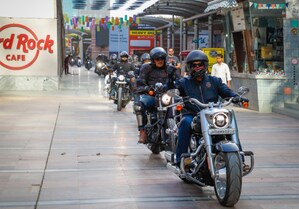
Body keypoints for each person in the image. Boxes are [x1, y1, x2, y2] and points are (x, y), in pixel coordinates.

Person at [175, 50, 248, 167]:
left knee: (229, 123)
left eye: (200, 65)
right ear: (189, 67)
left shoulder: (214, 81)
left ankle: (240, 160)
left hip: (212, 114)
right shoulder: (184, 82)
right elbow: (174, 89)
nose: (198, 68)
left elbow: (226, 91)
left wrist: (236, 97)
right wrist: (172, 88)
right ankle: (182, 159)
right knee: (185, 123)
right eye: (194, 65)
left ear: (205, 66)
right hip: (192, 113)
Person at [134, 47, 180, 144]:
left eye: (161, 58)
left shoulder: (170, 68)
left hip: (167, 97)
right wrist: (146, 88)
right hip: (152, 96)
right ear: (153, 60)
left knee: (181, 106)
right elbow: (139, 82)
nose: (160, 61)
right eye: (157, 59)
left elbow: (179, 80)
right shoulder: (146, 68)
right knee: (138, 106)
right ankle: (142, 131)